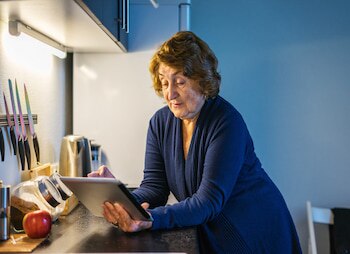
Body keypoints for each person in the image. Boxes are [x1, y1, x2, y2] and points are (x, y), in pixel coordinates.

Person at [88, 31, 302, 253]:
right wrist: (119, 198)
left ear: (202, 81)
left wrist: (150, 218)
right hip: (210, 230)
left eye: (179, 81)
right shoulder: (160, 123)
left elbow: (208, 201)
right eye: (164, 82)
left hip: (254, 231)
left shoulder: (226, 122)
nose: (170, 93)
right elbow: (155, 187)